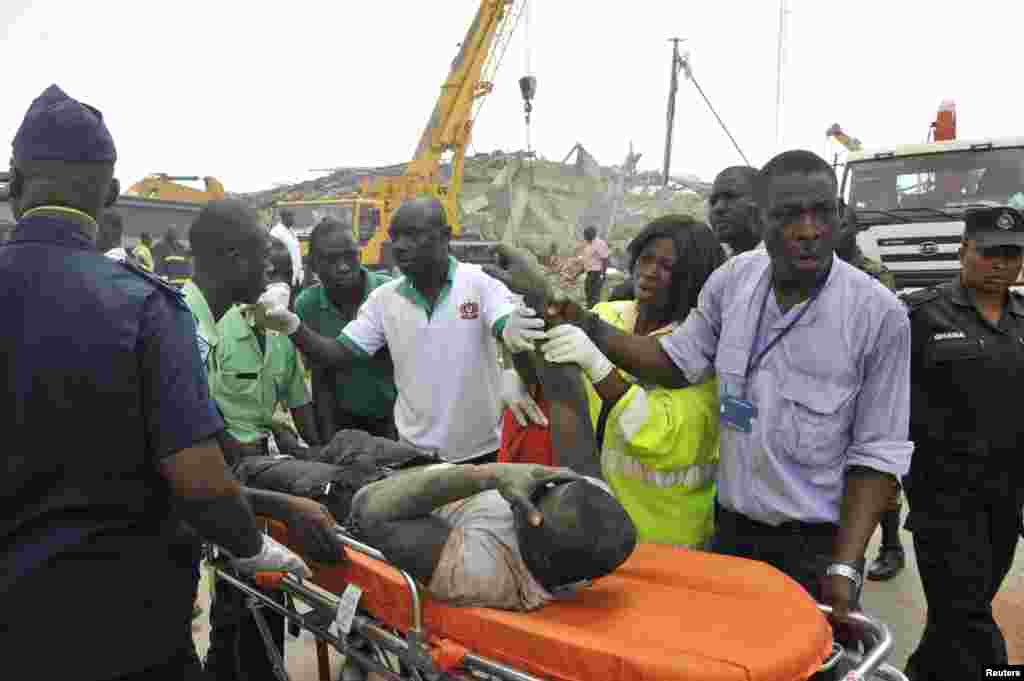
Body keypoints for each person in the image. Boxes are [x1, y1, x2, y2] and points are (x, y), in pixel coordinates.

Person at [485, 149, 913, 622]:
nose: (809, 230)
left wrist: (847, 564)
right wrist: (584, 325)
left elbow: (877, 453)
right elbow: (672, 363)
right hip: (729, 529)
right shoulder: (734, 282)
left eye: (823, 213)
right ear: (762, 218)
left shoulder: (879, 315)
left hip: (816, 541)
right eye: (790, 215)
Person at [1, 84, 310, 681]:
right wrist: (254, 547)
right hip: (123, 635)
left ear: (15, 182)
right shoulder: (144, 309)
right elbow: (199, 481)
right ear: (111, 193)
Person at [182, 199, 343, 681]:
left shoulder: (205, 324)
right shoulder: (184, 327)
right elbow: (191, 451)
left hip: (237, 469)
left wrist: (303, 458)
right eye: (262, 254)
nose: (273, 267)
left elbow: (291, 403)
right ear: (233, 258)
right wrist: (283, 504)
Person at [258, 196, 546, 463]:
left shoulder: (478, 283)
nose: (400, 245)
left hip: (483, 451)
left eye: (413, 235)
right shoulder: (385, 299)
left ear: (445, 237)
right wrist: (293, 326)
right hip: (413, 456)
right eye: (395, 237)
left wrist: (513, 355)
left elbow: (506, 321)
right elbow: (337, 354)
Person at [538, 215, 725, 549]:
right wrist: (525, 358)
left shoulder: (701, 347)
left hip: (667, 530)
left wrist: (598, 365)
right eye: (646, 259)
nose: (650, 271)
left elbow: (660, 433)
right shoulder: (609, 315)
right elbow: (565, 388)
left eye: (667, 266)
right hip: (601, 516)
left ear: (692, 277)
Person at [900, 206, 1024, 681]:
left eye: (1011, 255)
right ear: (963, 251)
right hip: (942, 499)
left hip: (1005, 498)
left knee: (958, 610)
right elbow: (885, 398)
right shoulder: (919, 313)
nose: (1000, 264)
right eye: (989, 253)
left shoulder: (1021, 317)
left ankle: (922, 672)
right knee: (970, 614)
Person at [836, 203, 904, 581]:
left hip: (866, 386)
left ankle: (891, 545)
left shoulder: (875, 275)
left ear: (854, 227)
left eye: (842, 222)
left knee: (879, 472)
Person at [295, 217, 398, 440]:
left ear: (359, 255)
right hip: (343, 419)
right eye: (331, 260)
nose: (343, 267)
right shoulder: (307, 305)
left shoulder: (388, 292)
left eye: (350, 256)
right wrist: (329, 439)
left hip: (395, 416)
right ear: (312, 265)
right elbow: (321, 376)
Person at [709, 166, 762, 256]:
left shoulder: (785, 263)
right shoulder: (724, 267)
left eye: (731, 197)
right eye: (713, 201)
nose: (718, 208)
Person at [270, 208, 304, 289]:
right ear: (283, 217)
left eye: (293, 216)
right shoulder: (276, 232)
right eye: (290, 216)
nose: (293, 219)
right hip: (284, 275)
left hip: (296, 273)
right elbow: (274, 255)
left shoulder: (291, 231)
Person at [581, 225, 610, 308]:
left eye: (587, 235)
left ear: (593, 234)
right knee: (588, 292)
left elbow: (605, 259)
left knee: (594, 295)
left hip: (597, 273)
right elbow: (587, 261)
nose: (585, 237)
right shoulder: (587, 244)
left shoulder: (599, 243)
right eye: (585, 235)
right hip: (589, 273)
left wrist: (602, 274)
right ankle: (589, 310)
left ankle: (594, 312)